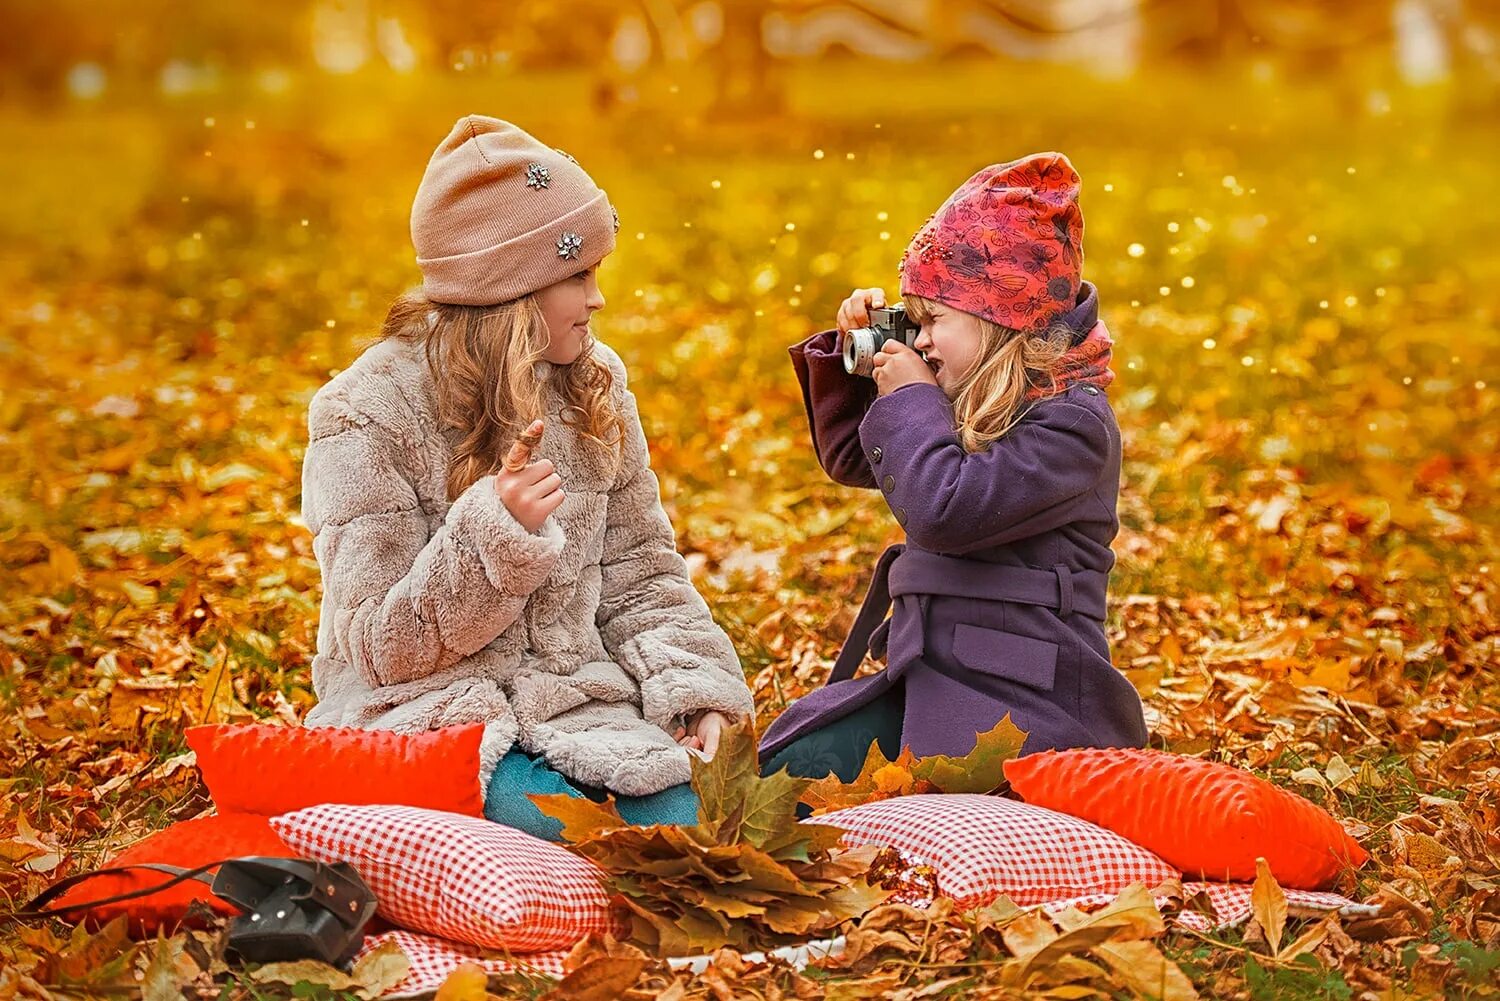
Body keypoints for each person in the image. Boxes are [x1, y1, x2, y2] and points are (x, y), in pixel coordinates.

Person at [299, 115, 753, 840]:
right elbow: (379, 648)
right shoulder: (365, 413)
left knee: (700, 825)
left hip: (580, 708)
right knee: (576, 836)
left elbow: (642, 571)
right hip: (432, 716)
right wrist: (490, 539)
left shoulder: (591, 386)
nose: (598, 299)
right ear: (511, 285)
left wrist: (696, 694)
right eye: (579, 275)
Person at [759, 153, 1149, 786]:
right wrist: (862, 368)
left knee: (923, 808)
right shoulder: (971, 395)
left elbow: (943, 509)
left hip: (1030, 706)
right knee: (786, 771)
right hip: (934, 677)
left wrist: (912, 399)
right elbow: (861, 461)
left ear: (999, 317)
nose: (922, 343)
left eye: (933, 321)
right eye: (913, 327)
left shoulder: (1073, 425)